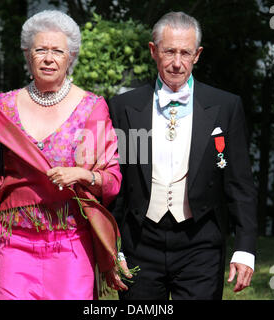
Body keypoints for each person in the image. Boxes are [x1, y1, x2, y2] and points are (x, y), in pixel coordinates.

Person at [0, 10, 127, 300]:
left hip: (72, 242)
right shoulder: (5, 108)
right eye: (41, 50)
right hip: (15, 242)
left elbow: (112, 179)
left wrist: (83, 174)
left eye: (58, 51)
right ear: (28, 55)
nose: (49, 58)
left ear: (71, 57)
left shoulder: (92, 107)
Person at [108, 11, 258, 300]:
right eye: (169, 51)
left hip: (200, 243)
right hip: (140, 242)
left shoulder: (225, 106)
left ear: (198, 54)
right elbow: (118, 183)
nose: (177, 63)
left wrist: (245, 248)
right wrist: (112, 248)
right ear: (154, 51)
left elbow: (240, 183)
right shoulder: (124, 107)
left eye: (185, 53)